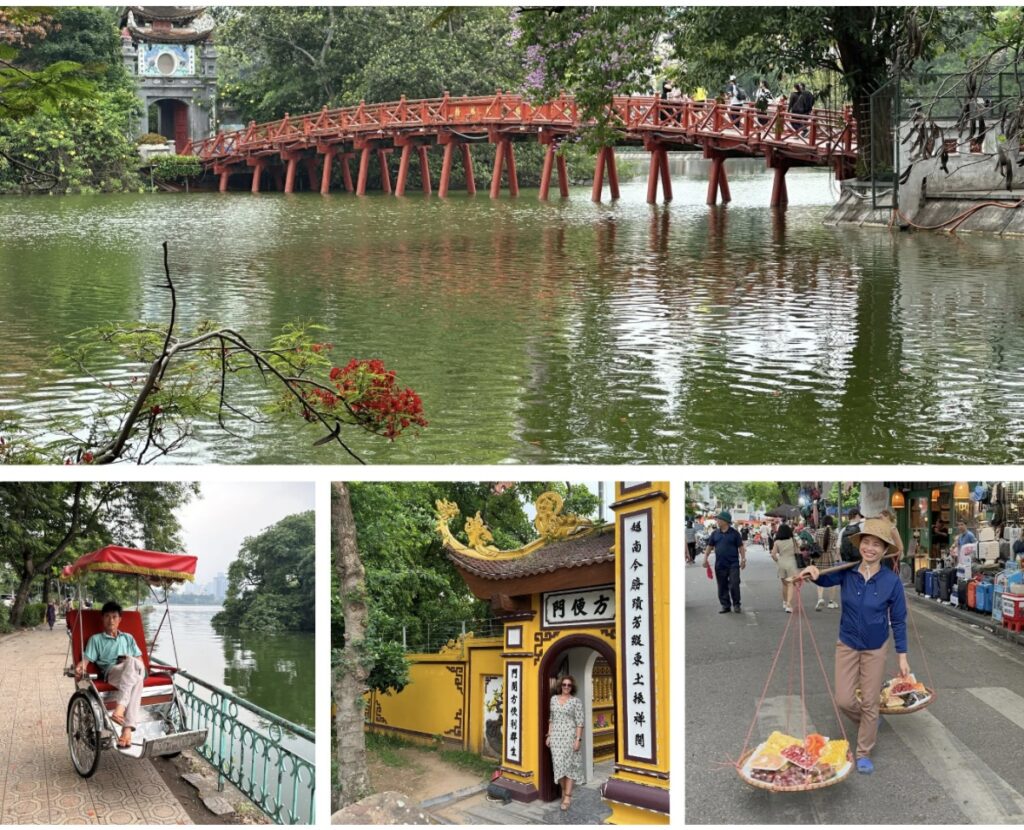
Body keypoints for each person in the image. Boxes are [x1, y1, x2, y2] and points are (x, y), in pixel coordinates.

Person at [797, 518, 909, 775]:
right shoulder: (846, 571)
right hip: (847, 642)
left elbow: (899, 620)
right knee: (845, 700)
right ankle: (869, 721)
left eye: (876, 545)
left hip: (875, 646)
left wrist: (902, 656)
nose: (870, 548)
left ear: (884, 550)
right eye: (866, 543)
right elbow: (823, 580)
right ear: (860, 545)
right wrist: (812, 572)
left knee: (869, 700)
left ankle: (864, 751)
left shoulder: (891, 582)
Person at [75, 601, 145, 749]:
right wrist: (80, 668)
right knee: (135, 671)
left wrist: (130, 662)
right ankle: (125, 722)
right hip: (112, 672)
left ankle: (126, 730)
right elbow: (85, 661)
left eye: (114, 617)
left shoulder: (128, 638)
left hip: (132, 672)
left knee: (134, 665)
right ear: (102, 618)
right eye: (107, 616)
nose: (111, 620)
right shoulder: (96, 639)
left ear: (120, 619)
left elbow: (140, 662)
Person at [546, 675, 584, 811]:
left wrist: (578, 740)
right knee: (558, 766)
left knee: (570, 767)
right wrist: (549, 735)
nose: (566, 687)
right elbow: (551, 718)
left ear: (572, 687)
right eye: (564, 685)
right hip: (556, 738)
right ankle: (563, 789)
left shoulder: (576, 702)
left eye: (569, 685)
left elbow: (580, 722)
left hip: (570, 737)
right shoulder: (553, 699)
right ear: (560, 686)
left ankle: (567, 796)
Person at [703, 511, 746, 613]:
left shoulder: (735, 534)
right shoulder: (715, 534)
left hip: (733, 564)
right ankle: (725, 605)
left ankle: (736, 604)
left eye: (719, 519)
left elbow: (741, 547)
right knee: (722, 586)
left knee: (734, 584)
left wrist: (743, 559)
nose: (717, 521)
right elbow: (709, 547)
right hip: (720, 564)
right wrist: (705, 558)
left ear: (725, 521)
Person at [770, 523, 800, 613]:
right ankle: (788, 604)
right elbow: (798, 551)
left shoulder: (777, 542)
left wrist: (777, 561)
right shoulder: (793, 540)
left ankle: (785, 601)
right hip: (791, 562)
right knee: (791, 584)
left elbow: (773, 554)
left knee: (784, 584)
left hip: (781, 562)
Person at [814, 516, 840, 610]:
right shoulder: (835, 534)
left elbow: (815, 544)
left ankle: (820, 599)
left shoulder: (818, 532)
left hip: (819, 558)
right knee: (831, 579)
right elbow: (835, 547)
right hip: (830, 557)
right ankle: (831, 601)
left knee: (819, 577)